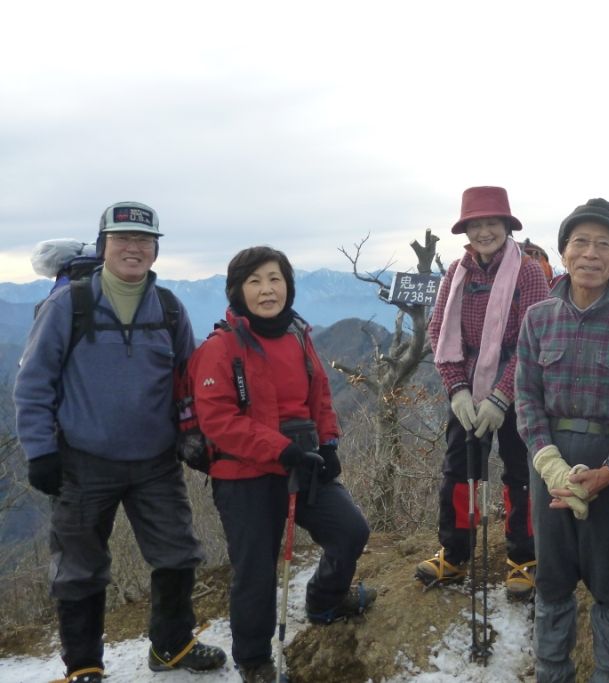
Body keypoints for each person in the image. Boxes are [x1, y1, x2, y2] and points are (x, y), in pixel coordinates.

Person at [14, 202, 226, 683]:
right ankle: (83, 665)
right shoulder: (69, 304)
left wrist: (194, 437)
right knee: (80, 568)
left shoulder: (169, 308)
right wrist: (40, 451)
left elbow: (188, 383)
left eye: (144, 241)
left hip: (156, 462)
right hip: (82, 462)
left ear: (155, 251)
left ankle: (171, 646)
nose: (133, 248)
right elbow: (33, 383)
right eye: (123, 239)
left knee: (177, 553)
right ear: (103, 244)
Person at [190, 246, 375, 683]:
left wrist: (328, 443)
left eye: (274, 279)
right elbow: (217, 420)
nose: (267, 289)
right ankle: (254, 659)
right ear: (237, 291)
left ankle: (324, 600)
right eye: (254, 281)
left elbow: (320, 395)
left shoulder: (297, 334)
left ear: (288, 285)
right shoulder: (220, 348)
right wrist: (279, 449)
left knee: (350, 531)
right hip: (245, 474)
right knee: (255, 569)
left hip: (304, 461)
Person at [516, 198, 609, 682]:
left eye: (605, 244)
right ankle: (551, 673)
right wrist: (550, 465)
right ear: (562, 252)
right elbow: (527, 400)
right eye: (581, 242)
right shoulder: (537, 319)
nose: (591, 254)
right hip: (551, 468)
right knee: (552, 581)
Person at [417, 186, 549, 599]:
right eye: (476, 224)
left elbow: (535, 339)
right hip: (468, 383)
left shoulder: (526, 272)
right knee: (460, 470)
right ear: (466, 230)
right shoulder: (458, 273)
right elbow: (439, 331)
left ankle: (523, 559)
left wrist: (501, 396)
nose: (485, 231)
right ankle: (454, 555)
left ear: (506, 226)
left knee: (518, 472)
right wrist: (457, 389)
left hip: (519, 385)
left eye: (493, 223)